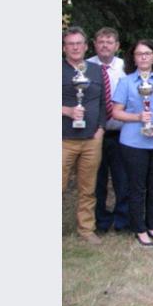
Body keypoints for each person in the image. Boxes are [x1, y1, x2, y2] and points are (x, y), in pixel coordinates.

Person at [112, 40, 153, 247]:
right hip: (134, 142)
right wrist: (139, 117)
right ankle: (139, 228)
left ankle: (152, 226)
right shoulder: (126, 82)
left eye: (147, 53)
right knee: (137, 187)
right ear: (133, 57)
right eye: (139, 54)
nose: (143, 57)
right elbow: (116, 112)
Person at [62, 27, 106, 245]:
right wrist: (67, 111)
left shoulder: (97, 70)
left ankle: (86, 230)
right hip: (63, 139)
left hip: (91, 139)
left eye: (79, 43)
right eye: (71, 44)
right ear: (64, 48)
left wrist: (100, 129)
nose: (75, 47)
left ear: (86, 46)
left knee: (88, 189)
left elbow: (103, 103)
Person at [87, 27, 129, 234]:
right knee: (97, 180)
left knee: (123, 180)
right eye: (101, 41)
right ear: (94, 44)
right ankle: (100, 221)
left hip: (121, 132)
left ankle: (122, 222)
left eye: (109, 42)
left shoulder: (126, 67)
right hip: (94, 134)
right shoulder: (85, 67)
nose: (105, 45)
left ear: (117, 46)